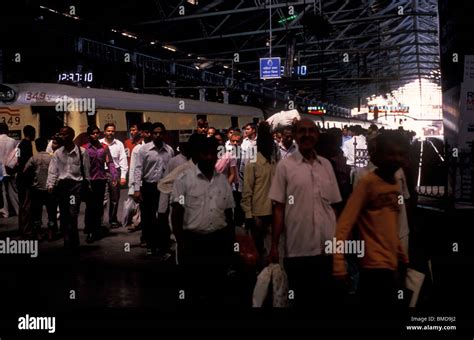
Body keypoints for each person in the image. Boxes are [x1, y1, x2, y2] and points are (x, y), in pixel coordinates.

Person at [268, 118, 342, 308]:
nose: (307, 135)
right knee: (301, 299)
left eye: (311, 131)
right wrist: (275, 245)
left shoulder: (326, 165)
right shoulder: (284, 167)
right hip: (297, 248)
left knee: (324, 299)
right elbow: (278, 208)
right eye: (302, 131)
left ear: (317, 135)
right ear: (294, 135)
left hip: (326, 249)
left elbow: (333, 206)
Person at [333, 131, 409, 307]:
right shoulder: (367, 183)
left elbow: (390, 226)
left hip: (391, 266)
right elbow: (344, 224)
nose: (396, 158)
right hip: (372, 267)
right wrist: (338, 264)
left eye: (400, 154)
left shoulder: (395, 184)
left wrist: (401, 256)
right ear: (379, 154)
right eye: (391, 153)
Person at [171, 135, 235, 305]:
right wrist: (181, 244)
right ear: (198, 154)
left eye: (213, 154)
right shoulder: (184, 180)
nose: (209, 157)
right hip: (194, 244)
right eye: (205, 153)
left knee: (216, 291)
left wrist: (230, 245)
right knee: (194, 291)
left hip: (218, 243)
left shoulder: (223, 182)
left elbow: (229, 215)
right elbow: (176, 213)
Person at [47, 126, 90, 254]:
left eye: (65, 134)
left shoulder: (82, 152)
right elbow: (53, 171)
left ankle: (74, 241)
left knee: (72, 214)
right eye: (61, 134)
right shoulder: (58, 153)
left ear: (71, 136)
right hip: (62, 187)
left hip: (75, 187)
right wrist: (50, 185)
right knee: (64, 215)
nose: (62, 137)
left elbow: (86, 172)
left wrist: (88, 186)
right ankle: (67, 241)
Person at [134, 122, 174, 257]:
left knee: (163, 217)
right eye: (155, 133)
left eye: (160, 133)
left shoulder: (169, 150)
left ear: (164, 134)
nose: (158, 135)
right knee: (148, 217)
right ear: (151, 134)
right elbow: (138, 169)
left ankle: (164, 247)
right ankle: (151, 247)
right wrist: (136, 189)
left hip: (164, 187)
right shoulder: (144, 150)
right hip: (148, 187)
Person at [241, 122, 275, 270]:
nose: (270, 145)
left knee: (269, 247)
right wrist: (249, 215)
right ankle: (257, 276)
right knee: (257, 248)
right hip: (258, 214)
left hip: (273, 213)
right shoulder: (252, 163)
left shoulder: (274, 162)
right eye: (267, 142)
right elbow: (247, 191)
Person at [83, 126, 118, 243]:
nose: (96, 135)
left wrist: (114, 175)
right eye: (93, 133)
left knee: (99, 206)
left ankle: (96, 229)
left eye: (97, 133)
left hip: (101, 180)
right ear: (88, 136)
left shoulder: (104, 148)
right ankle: (89, 229)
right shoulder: (84, 149)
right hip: (89, 181)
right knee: (90, 206)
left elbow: (110, 162)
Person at [23, 137, 57, 241]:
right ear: (47, 145)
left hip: (37, 189)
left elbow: (25, 170)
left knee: (37, 213)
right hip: (50, 189)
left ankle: (38, 234)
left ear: (37, 147)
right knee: (51, 212)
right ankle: (51, 233)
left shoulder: (33, 158)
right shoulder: (52, 158)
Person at [125, 122, 153, 234]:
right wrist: (133, 188)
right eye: (146, 132)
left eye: (151, 132)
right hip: (143, 184)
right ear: (141, 133)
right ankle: (145, 237)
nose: (149, 135)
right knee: (145, 211)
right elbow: (133, 169)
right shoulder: (137, 149)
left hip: (157, 185)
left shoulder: (162, 148)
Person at [100, 123, 128, 228]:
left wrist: (123, 176)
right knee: (102, 198)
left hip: (114, 173)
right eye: (108, 130)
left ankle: (113, 220)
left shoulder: (119, 144)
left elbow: (123, 160)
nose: (110, 133)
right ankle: (101, 222)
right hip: (101, 172)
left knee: (115, 198)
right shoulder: (99, 143)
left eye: (112, 131)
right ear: (104, 132)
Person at [17, 125, 36, 235]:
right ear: (31, 133)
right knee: (26, 204)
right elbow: (28, 164)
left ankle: (22, 227)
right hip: (26, 179)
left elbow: (18, 159)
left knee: (22, 204)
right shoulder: (27, 145)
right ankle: (26, 229)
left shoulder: (20, 144)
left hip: (20, 177)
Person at [0, 123, 19, 218]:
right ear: (7, 130)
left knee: (2, 191)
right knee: (13, 191)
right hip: (11, 168)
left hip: (0, 170)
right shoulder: (13, 141)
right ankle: (18, 210)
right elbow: (17, 154)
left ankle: (5, 212)